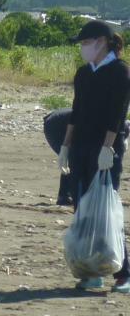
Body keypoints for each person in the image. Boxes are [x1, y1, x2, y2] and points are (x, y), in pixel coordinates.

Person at [58, 20, 130, 292]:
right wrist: (65, 146)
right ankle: (92, 270)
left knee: (105, 211)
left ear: (101, 42)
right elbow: (76, 111)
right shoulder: (83, 73)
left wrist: (108, 148)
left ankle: (123, 273)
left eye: (86, 43)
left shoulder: (120, 72)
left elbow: (117, 113)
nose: (83, 48)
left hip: (106, 148)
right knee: (83, 209)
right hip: (81, 146)